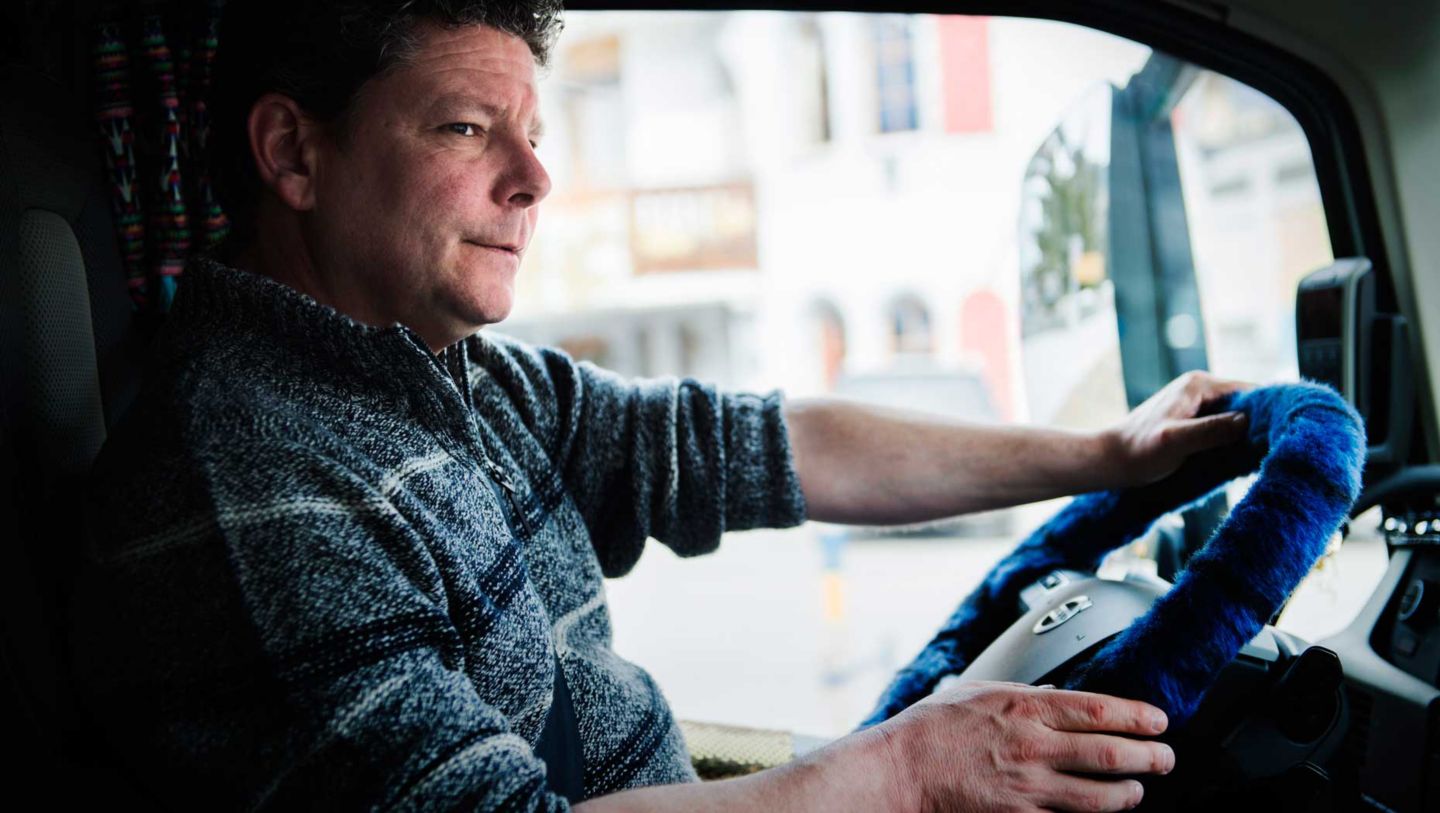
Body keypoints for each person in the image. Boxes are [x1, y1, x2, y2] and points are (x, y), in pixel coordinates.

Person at [66, 1, 1251, 811]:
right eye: (468, 129)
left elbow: (764, 445)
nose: (535, 180)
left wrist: (1109, 452)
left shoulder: (446, 376)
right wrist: (904, 773)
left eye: (534, 136)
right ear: (293, 153)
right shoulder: (248, 489)